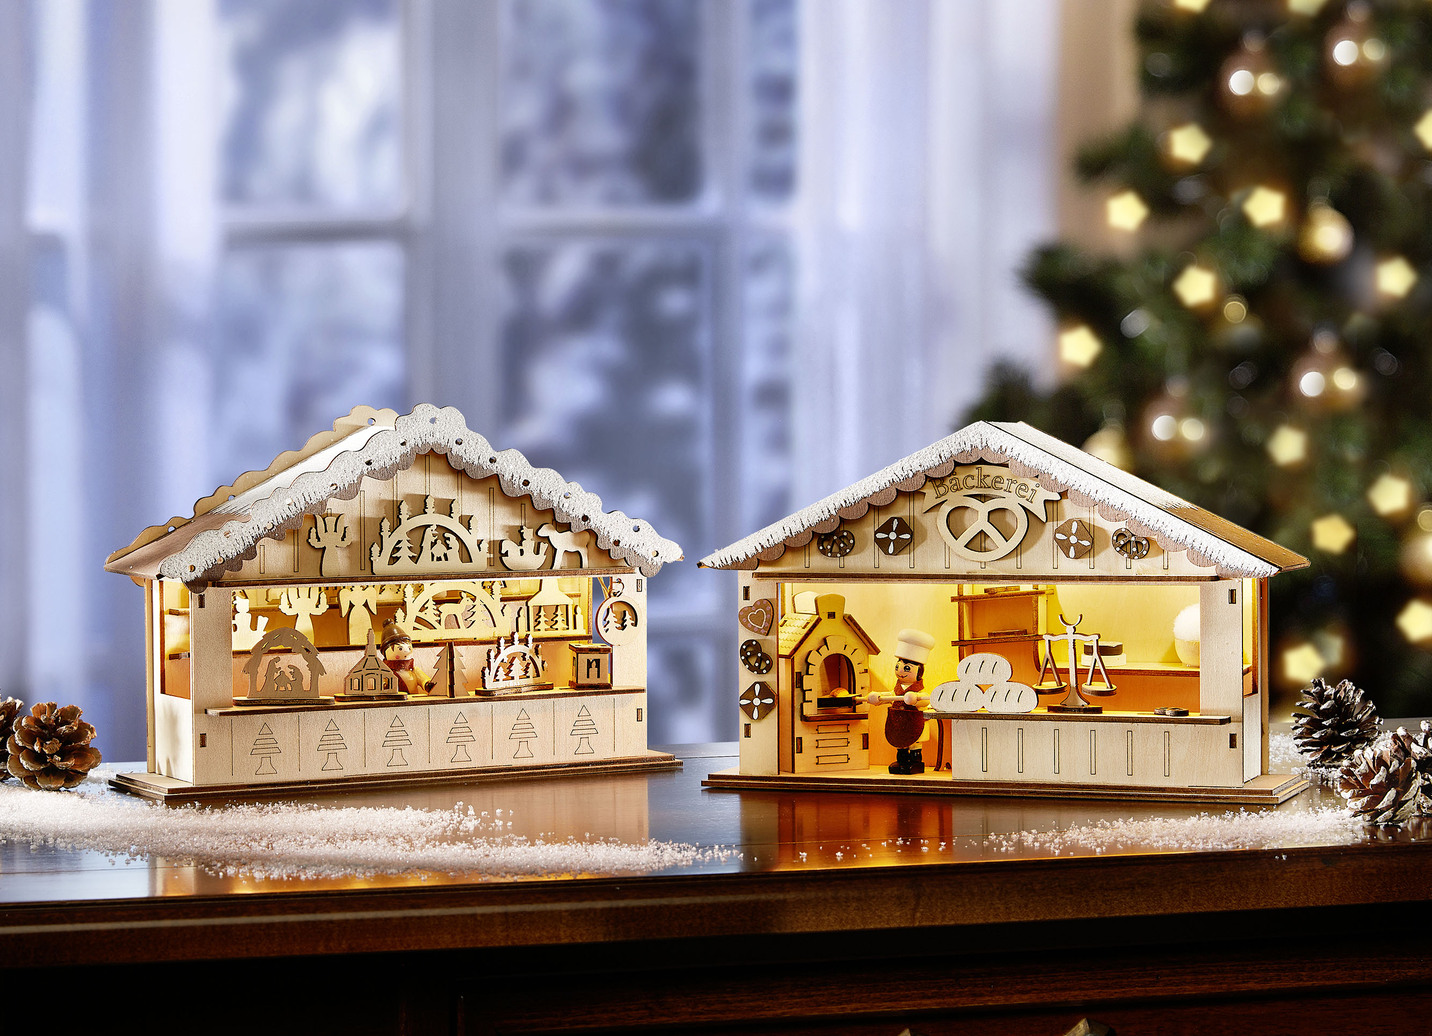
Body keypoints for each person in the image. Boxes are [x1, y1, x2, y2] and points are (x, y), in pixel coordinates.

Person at [877, 628, 935, 774]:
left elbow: (924, 700)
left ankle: (916, 763)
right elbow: (892, 695)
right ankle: (901, 762)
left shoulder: (918, 690)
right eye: (898, 667)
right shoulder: (898, 688)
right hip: (898, 723)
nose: (900, 671)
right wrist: (880, 697)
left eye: (906, 668)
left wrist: (915, 700)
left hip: (914, 723)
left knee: (915, 744)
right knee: (900, 744)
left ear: (918, 671)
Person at [380, 619, 431, 695]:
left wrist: (427, 684)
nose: (406, 651)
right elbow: (380, 682)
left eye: (409, 648)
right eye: (400, 648)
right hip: (394, 702)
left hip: (413, 700)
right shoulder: (386, 673)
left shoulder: (413, 670)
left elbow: (422, 678)